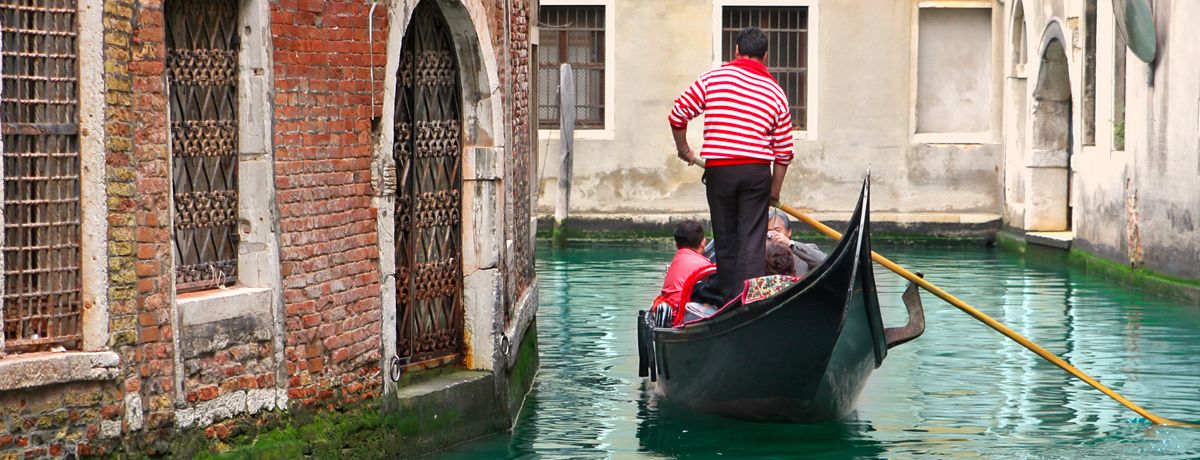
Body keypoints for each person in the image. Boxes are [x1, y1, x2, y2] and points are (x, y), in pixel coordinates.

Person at [668, 27, 794, 305]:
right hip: (756, 172)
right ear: (766, 56)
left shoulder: (714, 79)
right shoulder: (775, 91)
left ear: (735, 51)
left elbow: (678, 114)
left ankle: (728, 301)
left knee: (725, 238)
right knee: (751, 239)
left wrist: (684, 149)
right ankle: (747, 303)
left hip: (720, 170)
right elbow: (784, 151)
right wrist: (775, 190)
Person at [657, 220, 712, 309]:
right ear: (703, 243)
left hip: (669, 309)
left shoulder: (676, 260)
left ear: (676, 246)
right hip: (683, 314)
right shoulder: (705, 266)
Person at [766, 208, 827, 276]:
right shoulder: (758, 254)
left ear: (789, 231)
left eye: (777, 230)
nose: (772, 235)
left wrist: (790, 244)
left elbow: (826, 262)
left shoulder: (804, 251)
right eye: (768, 231)